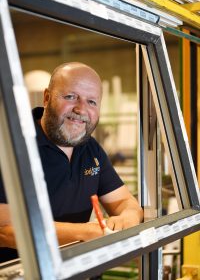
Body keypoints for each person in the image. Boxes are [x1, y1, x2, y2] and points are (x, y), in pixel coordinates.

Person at [0, 62, 143, 263]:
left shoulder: (90, 148)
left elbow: (123, 201)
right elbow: (5, 231)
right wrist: (85, 233)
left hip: (76, 269)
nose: (81, 109)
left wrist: (128, 218)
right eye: (70, 97)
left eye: (92, 102)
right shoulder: (11, 147)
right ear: (47, 97)